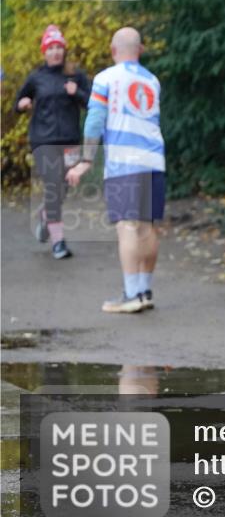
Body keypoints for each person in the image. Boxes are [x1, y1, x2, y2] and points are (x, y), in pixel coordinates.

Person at [66, 27, 165, 314]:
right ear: (140, 50)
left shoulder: (106, 78)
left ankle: (131, 295)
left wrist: (86, 160)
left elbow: (95, 120)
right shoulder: (153, 81)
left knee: (127, 226)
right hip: (154, 159)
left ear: (112, 50)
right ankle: (144, 291)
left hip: (124, 162)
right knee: (147, 226)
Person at [14, 25, 91, 259]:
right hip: (43, 140)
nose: (55, 52)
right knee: (52, 185)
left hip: (70, 140)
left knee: (64, 186)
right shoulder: (36, 77)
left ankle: (46, 215)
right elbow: (19, 101)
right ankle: (58, 242)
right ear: (44, 52)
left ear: (64, 50)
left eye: (59, 47)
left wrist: (77, 92)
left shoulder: (76, 75)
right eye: (51, 48)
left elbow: (92, 103)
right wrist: (22, 104)